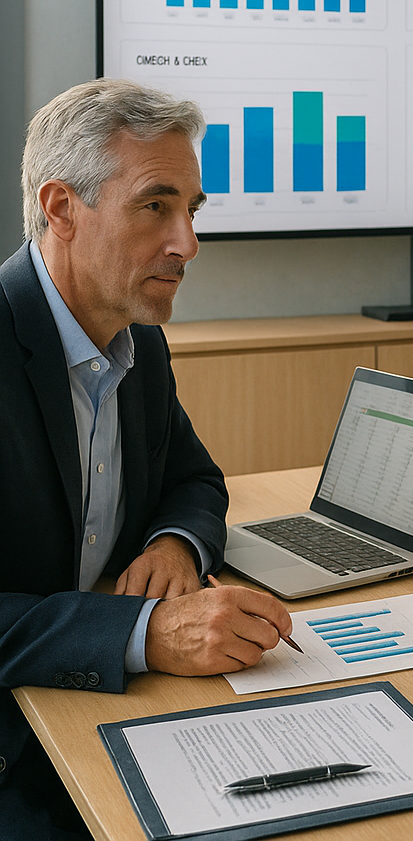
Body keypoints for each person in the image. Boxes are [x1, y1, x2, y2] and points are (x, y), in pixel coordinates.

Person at [2, 79, 293, 837]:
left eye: (191, 210)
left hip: (98, 706)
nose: (187, 244)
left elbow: (193, 478)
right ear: (62, 208)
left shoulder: (139, 341)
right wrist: (144, 634)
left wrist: (175, 544)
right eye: (155, 206)